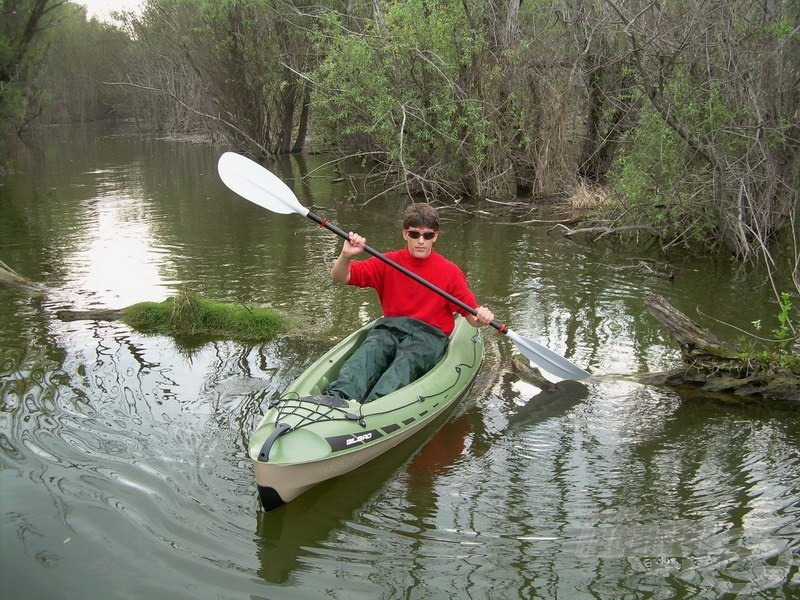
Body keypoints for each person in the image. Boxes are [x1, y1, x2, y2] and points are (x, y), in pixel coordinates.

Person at [324, 203, 494, 403]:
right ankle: (338, 399)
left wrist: (482, 318)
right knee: (367, 355)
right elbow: (340, 277)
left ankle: (374, 408)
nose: (421, 241)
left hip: (428, 336)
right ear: (405, 234)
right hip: (389, 329)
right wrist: (345, 256)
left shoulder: (450, 272)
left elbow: (471, 319)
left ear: (435, 236)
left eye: (428, 235)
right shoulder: (386, 261)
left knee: (404, 365)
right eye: (414, 235)